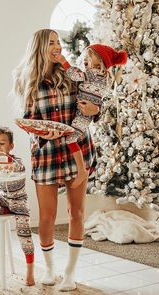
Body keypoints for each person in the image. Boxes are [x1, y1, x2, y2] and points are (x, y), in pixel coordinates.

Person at [12, 29, 99, 292]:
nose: (57, 47)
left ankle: (71, 273)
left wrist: (96, 111)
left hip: (77, 152)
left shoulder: (71, 75)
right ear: (39, 47)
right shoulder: (26, 79)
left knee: (76, 212)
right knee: (47, 217)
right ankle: (50, 268)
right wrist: (41, 131)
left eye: (59, 42)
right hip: (47, 153)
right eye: (51, 43)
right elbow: (29, 120)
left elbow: (91, 104)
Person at [54, 44, 128, 188]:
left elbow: (75, 75)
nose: (85, 60)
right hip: (86, 112)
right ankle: (77, 170)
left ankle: (81, 170)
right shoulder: (103, 77)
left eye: (89, 57)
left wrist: (63, 61)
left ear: (100, 61)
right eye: (85, 57)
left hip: (83, 113)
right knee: (70, 136)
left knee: (70, 139)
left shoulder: (93, 74)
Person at [0, 126, 35, 286]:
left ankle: (30, 269)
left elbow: (16, 169)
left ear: (11, 146)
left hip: (19, 200)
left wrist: (3, 159)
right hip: (2, 198)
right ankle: (4, 209)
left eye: (1, 144)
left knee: (24, 231)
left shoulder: (17, 162)